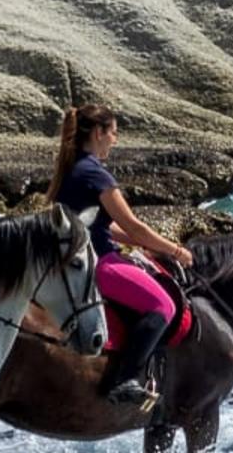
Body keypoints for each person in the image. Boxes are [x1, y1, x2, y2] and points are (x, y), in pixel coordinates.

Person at [47, 104, 194, 405]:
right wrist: (176, 251)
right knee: (162, 306)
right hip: (100, 263)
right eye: (113, 133)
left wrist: (146, 245)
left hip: (74, 262)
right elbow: (134, 225)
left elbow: (105, 226)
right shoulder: (95, 174)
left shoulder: (72, 169)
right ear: (99, 132)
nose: (115, 140)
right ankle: (124, 379)